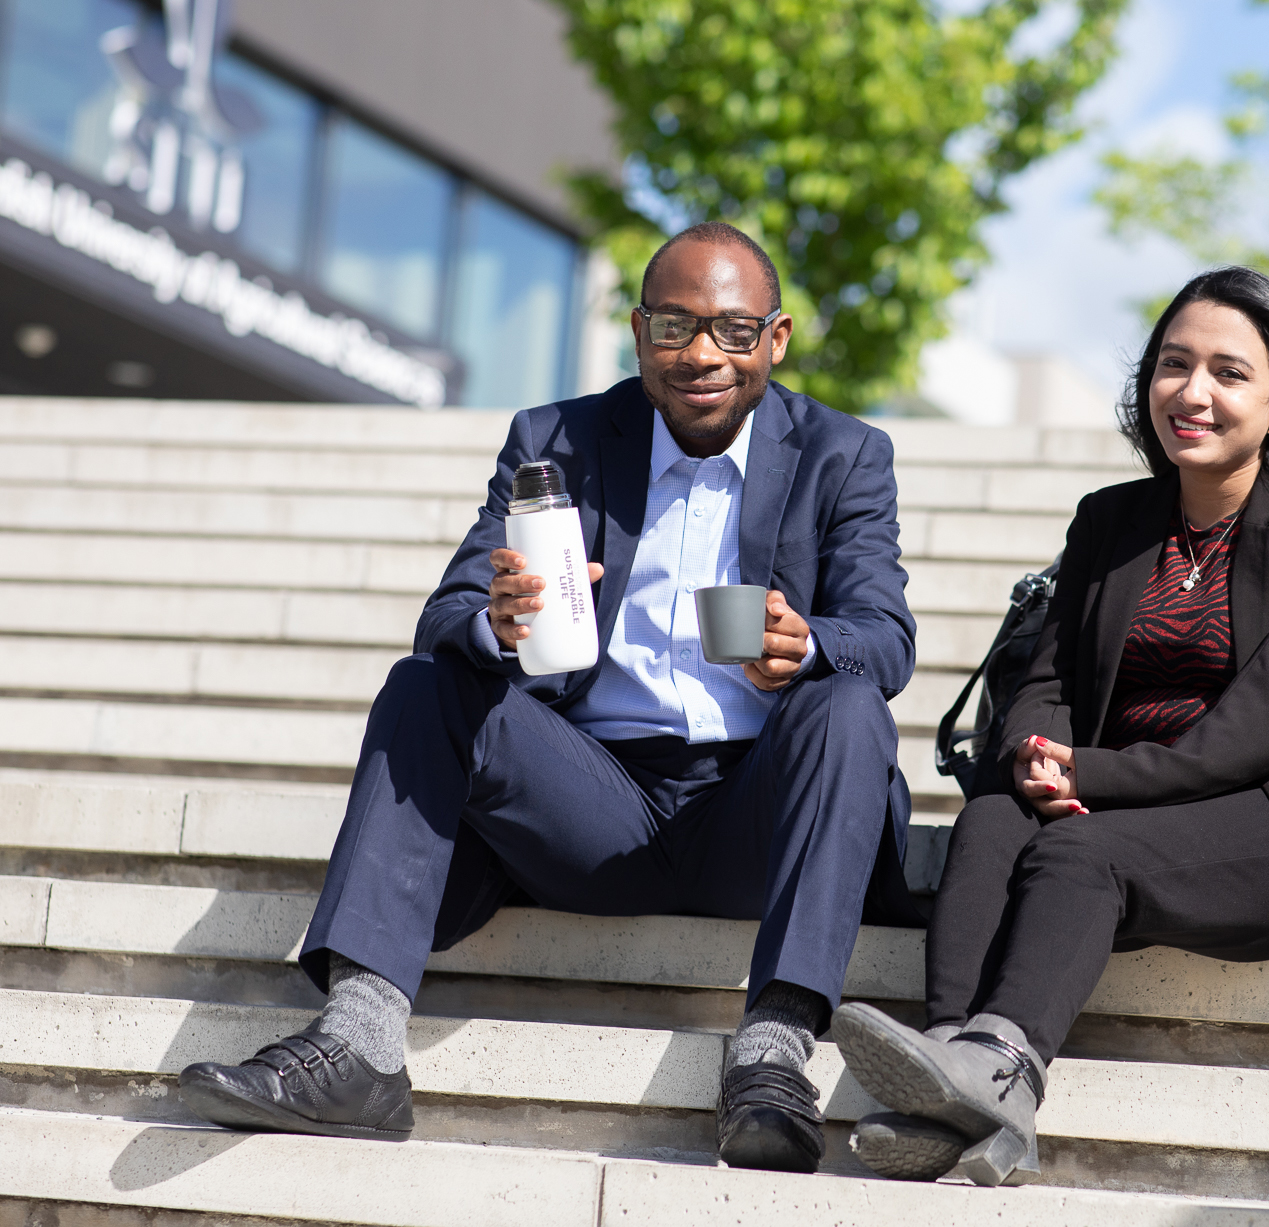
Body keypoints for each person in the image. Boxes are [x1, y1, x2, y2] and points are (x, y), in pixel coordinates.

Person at [177, 222, 922, 1174]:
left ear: (775, 338)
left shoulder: (844, 453)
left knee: (849, 703)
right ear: (637, 331)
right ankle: (359, 1044)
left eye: (733, 332)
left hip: (758, 809)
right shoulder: (556, 439)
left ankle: (773, 1058)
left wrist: (809, 643)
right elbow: (446, 610)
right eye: (673, 326)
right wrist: (499, 619)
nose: (701, 354)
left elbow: (886, 637)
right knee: (426, 684)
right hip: (592, 803)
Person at [830, 266, 1269, 1187]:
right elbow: (1049, 674)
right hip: (1115, 791)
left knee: (1077, 851)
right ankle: (953, 1068)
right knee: (991, 818)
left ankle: (1001, 1069)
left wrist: (1093, 778)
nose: (1194, 391)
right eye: (1174, 365)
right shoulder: (1113, 520)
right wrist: (1034, 754)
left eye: (1229, 372)